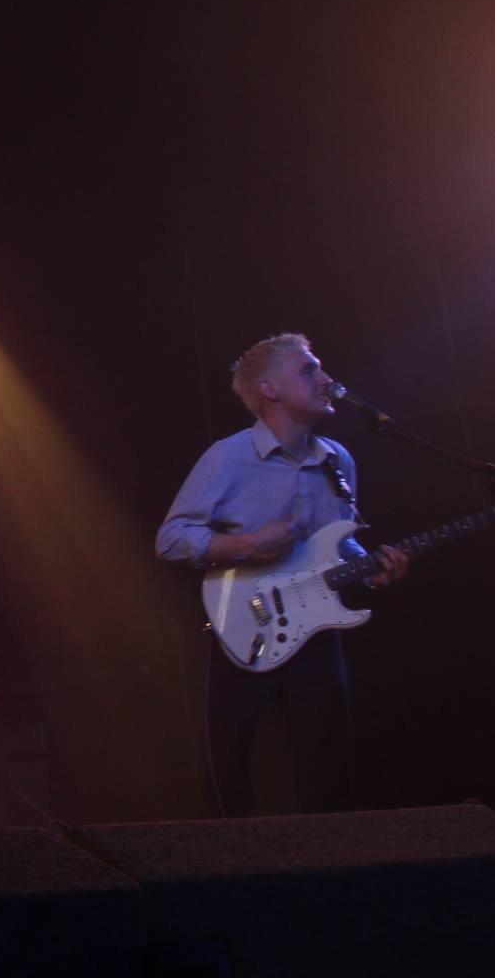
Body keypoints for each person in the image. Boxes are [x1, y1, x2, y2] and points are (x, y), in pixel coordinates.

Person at [155, 332, 408, 818]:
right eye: (309, 370)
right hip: (244, 622)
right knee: (232, 769)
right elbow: (171, 538)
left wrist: (371, 565)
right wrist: (247, 544)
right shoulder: (229, 457)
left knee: (329, 773)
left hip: (316, 632)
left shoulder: (338, 460)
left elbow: (337, 539)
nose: (327, 379)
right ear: (269, 389)